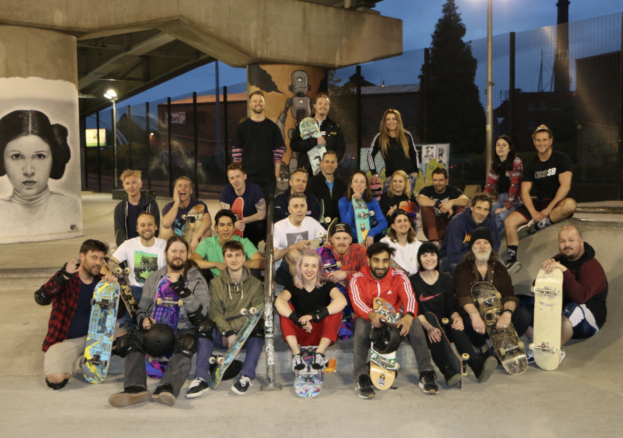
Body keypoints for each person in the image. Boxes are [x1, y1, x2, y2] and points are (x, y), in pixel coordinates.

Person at [108, 236, 211, 407]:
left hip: (183, 329)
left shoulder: (197, 280)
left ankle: (168, 387)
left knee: (189, 342)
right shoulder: (155, 278)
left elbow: (202, 314)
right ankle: (135, 388)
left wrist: (183, 290)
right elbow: (142, 308)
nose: (178, 255)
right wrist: (144, 320)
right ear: (166, 253)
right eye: (174, 251)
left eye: (182, 251)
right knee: (131, 340)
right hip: (157, 329)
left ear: (188, 254)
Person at [349, 242, 438, 399]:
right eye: (376, 260)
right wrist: (371, 315)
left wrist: (409, 317)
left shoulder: (399, 275)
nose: (381, 265)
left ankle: (426, 372)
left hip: (393, 322)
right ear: (368, 261)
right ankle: (361, 376)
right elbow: (357, 303)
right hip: (369, 321)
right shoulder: (357, 278)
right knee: (361, 326)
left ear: (390, 261)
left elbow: (410, 297)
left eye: (385, 260)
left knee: (415, 321)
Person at [34, 239, 118, 390]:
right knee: (57, 380)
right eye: (94, 257)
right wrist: (62, 277)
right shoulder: (67, 278)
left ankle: (86, 359)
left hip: (97, 339)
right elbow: (41, 297)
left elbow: (118, 313)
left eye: (101, 258)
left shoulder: (102, 283)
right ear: (82, 256)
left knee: (127, 345)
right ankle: (77, 359)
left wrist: (114, 286)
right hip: (66, 340)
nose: (98, 262)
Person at [410, 242, 497, 386]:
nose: (429, 258)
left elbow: (450, 307)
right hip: (425, 323)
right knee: (435, 333)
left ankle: (477, 366)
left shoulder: (446, 280)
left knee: (456, 328)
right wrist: (429, 327)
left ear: (438, 258)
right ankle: (447, 371)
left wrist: (457, 318)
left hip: (444, 320)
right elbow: (416, 310)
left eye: (432, 254)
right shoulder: (412, 281)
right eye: (424, 255)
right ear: (419, 259)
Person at [186, 241, 265, 398]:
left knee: (259, 329)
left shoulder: (256, 285)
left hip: (244, 334)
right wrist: (227, 330)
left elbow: (255, 314)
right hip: (222, 333)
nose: (234, 259)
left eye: (237, 255)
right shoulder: (215, 284)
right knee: (204, 328)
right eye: (229, 255)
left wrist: (234, 331)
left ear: (244, 257)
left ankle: (246, 376)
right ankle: (201, 378)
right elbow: (214, 312)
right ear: (224, 259)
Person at [525, 225, 607, 364]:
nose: (566, 245)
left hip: (588, 320)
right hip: (560, 312)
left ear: (581, 241)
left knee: (573, 308)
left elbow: (580, 298)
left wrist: (565, 272)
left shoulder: (592, 267)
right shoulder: (559, 259)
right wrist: (544, 273)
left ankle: (555, 349)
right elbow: (536, 288)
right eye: (562, 241)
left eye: (571, 240)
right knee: (520, 303)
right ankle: (539, 344)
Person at [504, 125, 577, 272]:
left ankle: (540, 225)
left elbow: (565, 187)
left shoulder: (562, 159)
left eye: (544, 140)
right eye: (538, 140)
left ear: (551, 141)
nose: (541, 143)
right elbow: (524, 191)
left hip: (557, 202)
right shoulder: (531, 165)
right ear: (534, 142)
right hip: (539, 202)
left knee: (570, 205)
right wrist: (533, 212)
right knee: (509, 221)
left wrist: (548, 210)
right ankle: (511, 259)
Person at [0, 110, 80, 239]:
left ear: (54, 158)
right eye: (16, 156)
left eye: (39, 156)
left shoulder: (70, 206)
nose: (29, 171)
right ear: (2, 160)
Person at [453, 228, 532, 357]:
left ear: (491, 246)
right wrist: (475, 315)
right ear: (472, 246)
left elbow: (509, 295)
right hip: (475, 317)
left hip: (497, 316)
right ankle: (482, 347)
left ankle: (502, 346)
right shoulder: (462, 268)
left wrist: (507, 313)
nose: (482, 246)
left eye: (486, 242)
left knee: (523, 315)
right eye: (478, 242)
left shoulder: (499, 268)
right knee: (467, 321)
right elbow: (463, 297)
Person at [275, 249, 346, 370]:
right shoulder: (292, 285)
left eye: (314, 266)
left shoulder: (326, 284)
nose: (309, 269)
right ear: (300, 266)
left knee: (336, 309)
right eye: (306, 265)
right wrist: (298, 320)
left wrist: (315, 316)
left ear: (319, 268)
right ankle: (296, 355)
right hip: (299, 334)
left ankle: (320, 353)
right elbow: (279, 302)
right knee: (285, 307)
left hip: (322, 335)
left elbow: (342, 301)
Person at [108, 212, 167, 325]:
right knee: (125, 323)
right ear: (137, 228)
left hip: (157, 291)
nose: (146, 228)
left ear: (156, 226)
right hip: (135, 290)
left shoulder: (164, 246)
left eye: (150, 224)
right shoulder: (129, 244)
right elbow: (109, 263)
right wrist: (110, 274)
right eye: (142, 225)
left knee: (157, 322)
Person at [232, 90, 285, 198]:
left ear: (264, 103)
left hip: (268, 179)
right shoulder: (242, 128)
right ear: (250, 104)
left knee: (266, 210)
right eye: (255, 101)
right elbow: (237, 156)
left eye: (260, 101)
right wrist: (239, 177)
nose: (258, 103)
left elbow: (278, 155)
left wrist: (276, 176)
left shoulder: (273, 127)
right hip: (247, 178)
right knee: (248, 209)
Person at [192, 209, 265, 279]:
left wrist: (236, 265)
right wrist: (217, 265)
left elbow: (263, 262)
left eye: (229, 225)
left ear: (234, 228)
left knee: (255, 272)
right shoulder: (207, 243)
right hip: (215, 284)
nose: (226, 229)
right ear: (216, 228)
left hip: (240, 281)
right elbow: (192, 262)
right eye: (222, 225)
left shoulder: (243, 242)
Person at [439, 193, 500, 275]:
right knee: (460, 269)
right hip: (453, 258)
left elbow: (495, 246)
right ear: (471, 207)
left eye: (486, 210)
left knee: (500, 266)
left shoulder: (490, 220)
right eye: (479, 208)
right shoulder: (457, 222)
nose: (482, 213)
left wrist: (484, 260)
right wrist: (476, 261)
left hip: (481, 256)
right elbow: (453, 255)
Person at [273, 194, 326, 286]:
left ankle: (306, 285)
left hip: (309, 268)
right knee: (293, 253)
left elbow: (326, 238)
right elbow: (272, 256)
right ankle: (307, 286)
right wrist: (292, 247)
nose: (299, 210)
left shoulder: (311, 222)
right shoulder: (279, 226)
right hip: (284, 272)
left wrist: (322, 244)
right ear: (289, 209)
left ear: (306, 208)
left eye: (302, 206)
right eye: (295, 206)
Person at [289, 93, 346, 174]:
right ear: (314, 106)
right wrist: (314, 141)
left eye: (326, 104)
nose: (323, 106)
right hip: (307, 171)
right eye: (320, 103)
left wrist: (330, 163)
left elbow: (340, 148)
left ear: (329, 107)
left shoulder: (334, 127)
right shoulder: (304, 124)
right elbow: (294, 145)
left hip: (327, 172)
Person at [367, 109, 419, 192]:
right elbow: (370, 155)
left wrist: (415, 172)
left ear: (398, 121)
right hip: (391, 177)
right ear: (384, 121)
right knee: (388, 202)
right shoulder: (379, 137)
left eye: (394, 119)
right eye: (388, 119)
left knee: (404, 204)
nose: (391, 121)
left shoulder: (406, 135)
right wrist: (374, 172)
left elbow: (414, 153)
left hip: (408, 177)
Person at [417, 167, 470, 247]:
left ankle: (457, 238)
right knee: (425, 208)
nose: (437, 183)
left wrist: (451, 202)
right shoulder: (427, 190)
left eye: (441, 180)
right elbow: (420, 199)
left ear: (446, 180)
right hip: (432, 228)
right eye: (435, 180)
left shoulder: (452, 190)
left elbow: (467, 201)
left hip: (449, 227)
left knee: (461, 207)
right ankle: (434, 242)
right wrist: (438, 204)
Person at [219, 163, 267, 248]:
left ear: (244, 176)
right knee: (222, 224)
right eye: (232, 178)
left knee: (260, 226)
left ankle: (252, 247)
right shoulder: (226, 190)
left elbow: (262, 214)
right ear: (229, 180)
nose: (235, 180)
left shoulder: (255, 189)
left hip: (252, 223)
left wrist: (242, 221)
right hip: (234, 223)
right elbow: (224, 214)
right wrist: (233, 223)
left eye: (238, 176)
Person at [161, 176, 212, 252]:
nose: (183, 188)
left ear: (191, 190)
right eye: (179, 186)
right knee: (165, 230)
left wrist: (196, 237)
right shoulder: (169, 207)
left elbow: (208, 221)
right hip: (176, 241)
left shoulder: (199, 205)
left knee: (207, 230)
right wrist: (177, 203)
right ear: (175, 190)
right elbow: (166, 223)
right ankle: (170, 256)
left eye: (186, 186)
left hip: (193, 240)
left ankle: (201, 256)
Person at [483, 136, 523, 234]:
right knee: (484, 214)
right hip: (499, 200)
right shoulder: (494, 164)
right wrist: (481, 202)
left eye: (504, 145)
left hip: (515, 202)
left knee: (501, 216)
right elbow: (489, 185)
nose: (500, 148)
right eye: (498, 145)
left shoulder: (516, 162)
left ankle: (490, 242)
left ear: (509, 148)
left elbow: (515, 187)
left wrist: (506, 207)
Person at [338, 171, 387, 247]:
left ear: (366, 186)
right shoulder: (343, 201)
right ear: (351, 184)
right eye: (356, 181)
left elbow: (383, 222)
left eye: (362, 182)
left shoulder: (372, 201)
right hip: (351, 240)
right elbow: (346, 224)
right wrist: (353, 202)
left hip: (368, 238)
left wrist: (372, 233)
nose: (359, 184)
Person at [113, 169, 160, 247]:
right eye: (127, 183)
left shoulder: (151, 204)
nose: (131, 186)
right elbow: (119, 234)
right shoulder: (120, 208)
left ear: (140, 184)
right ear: (123, 186)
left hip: (147, 245)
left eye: (134, 182)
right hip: (128, 247)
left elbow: (155, 230)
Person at [307, 151, 347, 227]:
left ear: (336, 165)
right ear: (321, 164)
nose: (330, 165)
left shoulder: (342, 185)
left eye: (332, 162)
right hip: (317, 227)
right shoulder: (311, 183)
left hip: (337, 227)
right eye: (327, 162)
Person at [380, 209, 422, 276]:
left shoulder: (418, 245)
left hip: (414, 281)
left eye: (405, 220)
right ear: (393, 226)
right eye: (399, 221)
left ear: (409, 224)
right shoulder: (385, 243)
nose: (403, 224)